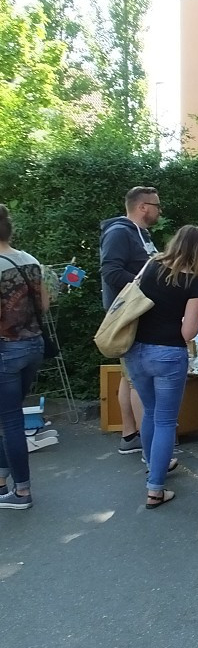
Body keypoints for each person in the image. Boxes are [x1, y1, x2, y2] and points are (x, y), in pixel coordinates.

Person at [123, 226, 198, 509]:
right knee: (164, 421)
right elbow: (188, 333)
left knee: (150, 412)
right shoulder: (194, 282)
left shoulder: (151, 265)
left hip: (135, 350)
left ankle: (153, 468)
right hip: (169, 356)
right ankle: (155, 489)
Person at [100, 186, 161, 455]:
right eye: (157, 206)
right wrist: (146, 288)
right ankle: (151, 452)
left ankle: (130, 436)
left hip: (138, 314)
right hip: (129, 316)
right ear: (143, 207)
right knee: (138, 379)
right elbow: (110, 271)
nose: (159, 210)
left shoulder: (140, 234)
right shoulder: (118, 233)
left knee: (129, 377)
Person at [0, 205, 47, 509]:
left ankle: (22, 492)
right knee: (9, 415)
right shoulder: (29, 260)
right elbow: (43, 305)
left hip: (5, 350)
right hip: (34, 347)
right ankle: (4, 480)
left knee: (10, 421)